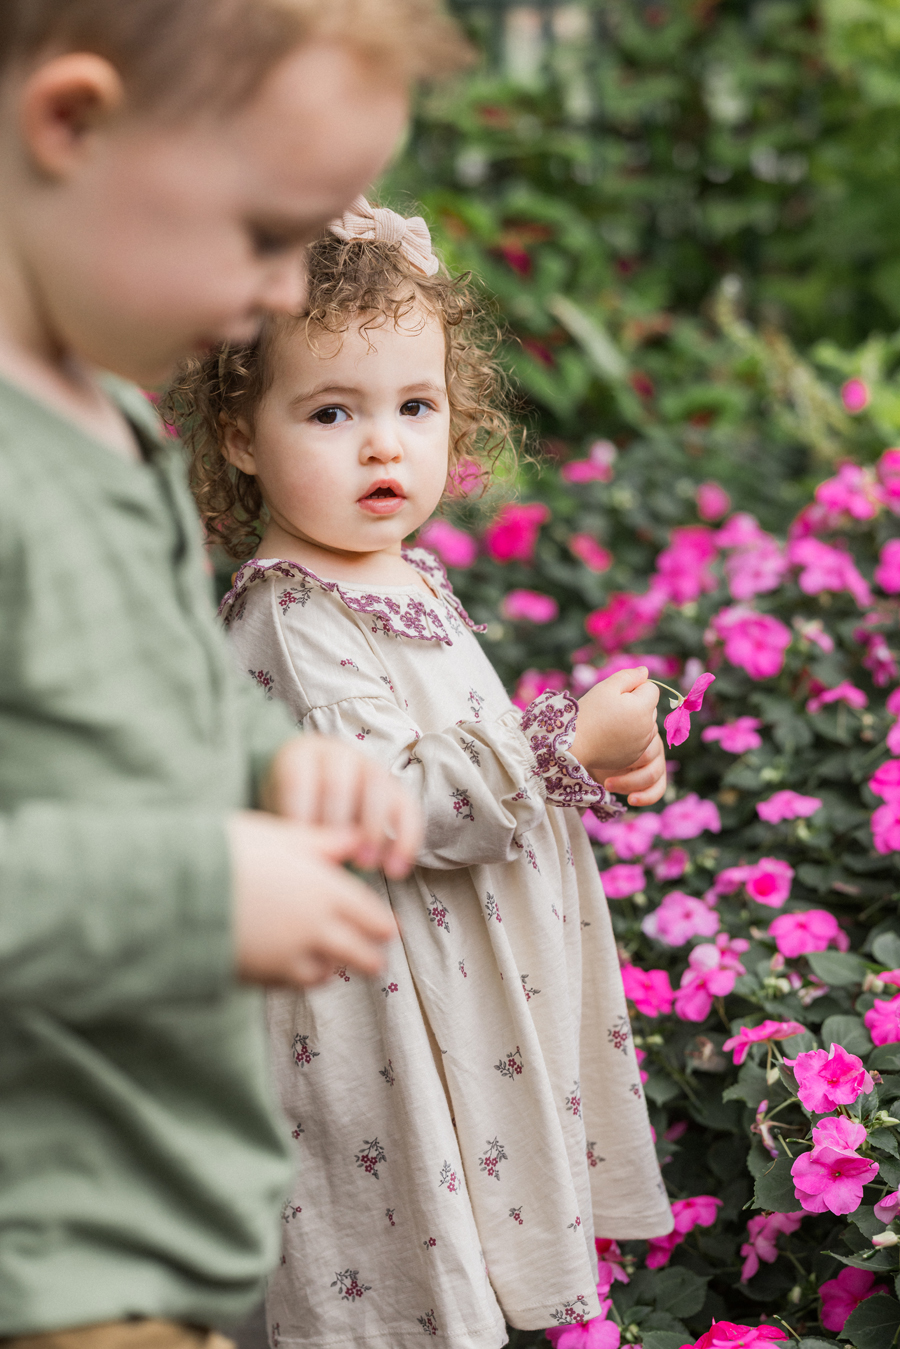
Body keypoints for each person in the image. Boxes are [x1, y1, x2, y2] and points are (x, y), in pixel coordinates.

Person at [0, 5, 469, 1347]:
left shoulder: (103, 433)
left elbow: (156, 711)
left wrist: (270, 766)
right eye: (266, 232)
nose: (283, 291)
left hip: (159, 1225)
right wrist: (195, 890)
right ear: (72, 125)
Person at [169, 198, 675, 1349]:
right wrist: (558, 743)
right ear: (242, 433)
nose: (384, 443)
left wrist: (594, 758)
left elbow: (468, 756)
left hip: (463, 990)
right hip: (381, 1016)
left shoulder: (399, 575)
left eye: (415, 406)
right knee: (393, 1269)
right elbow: (392, 800)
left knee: (467, 1238)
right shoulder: (295, 613)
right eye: (332, 411)